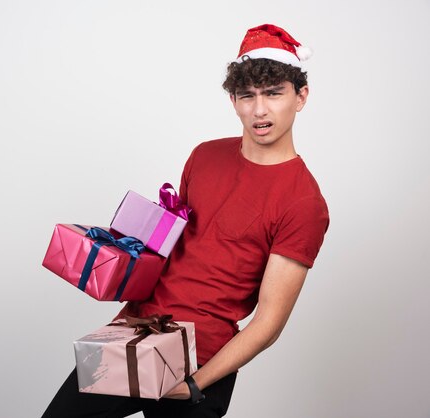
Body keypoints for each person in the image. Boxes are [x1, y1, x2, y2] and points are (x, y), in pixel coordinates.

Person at [42, 23, 329, 418]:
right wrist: (115, 255)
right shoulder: (204, 156)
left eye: (274, 94)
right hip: (140, 330)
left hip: (201, 358)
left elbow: (269, 322)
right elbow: (172, 251)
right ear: (233, 99)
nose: (259, 110)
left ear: (301, 97)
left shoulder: (304, 202)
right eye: (247, 96)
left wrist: (195, 383)